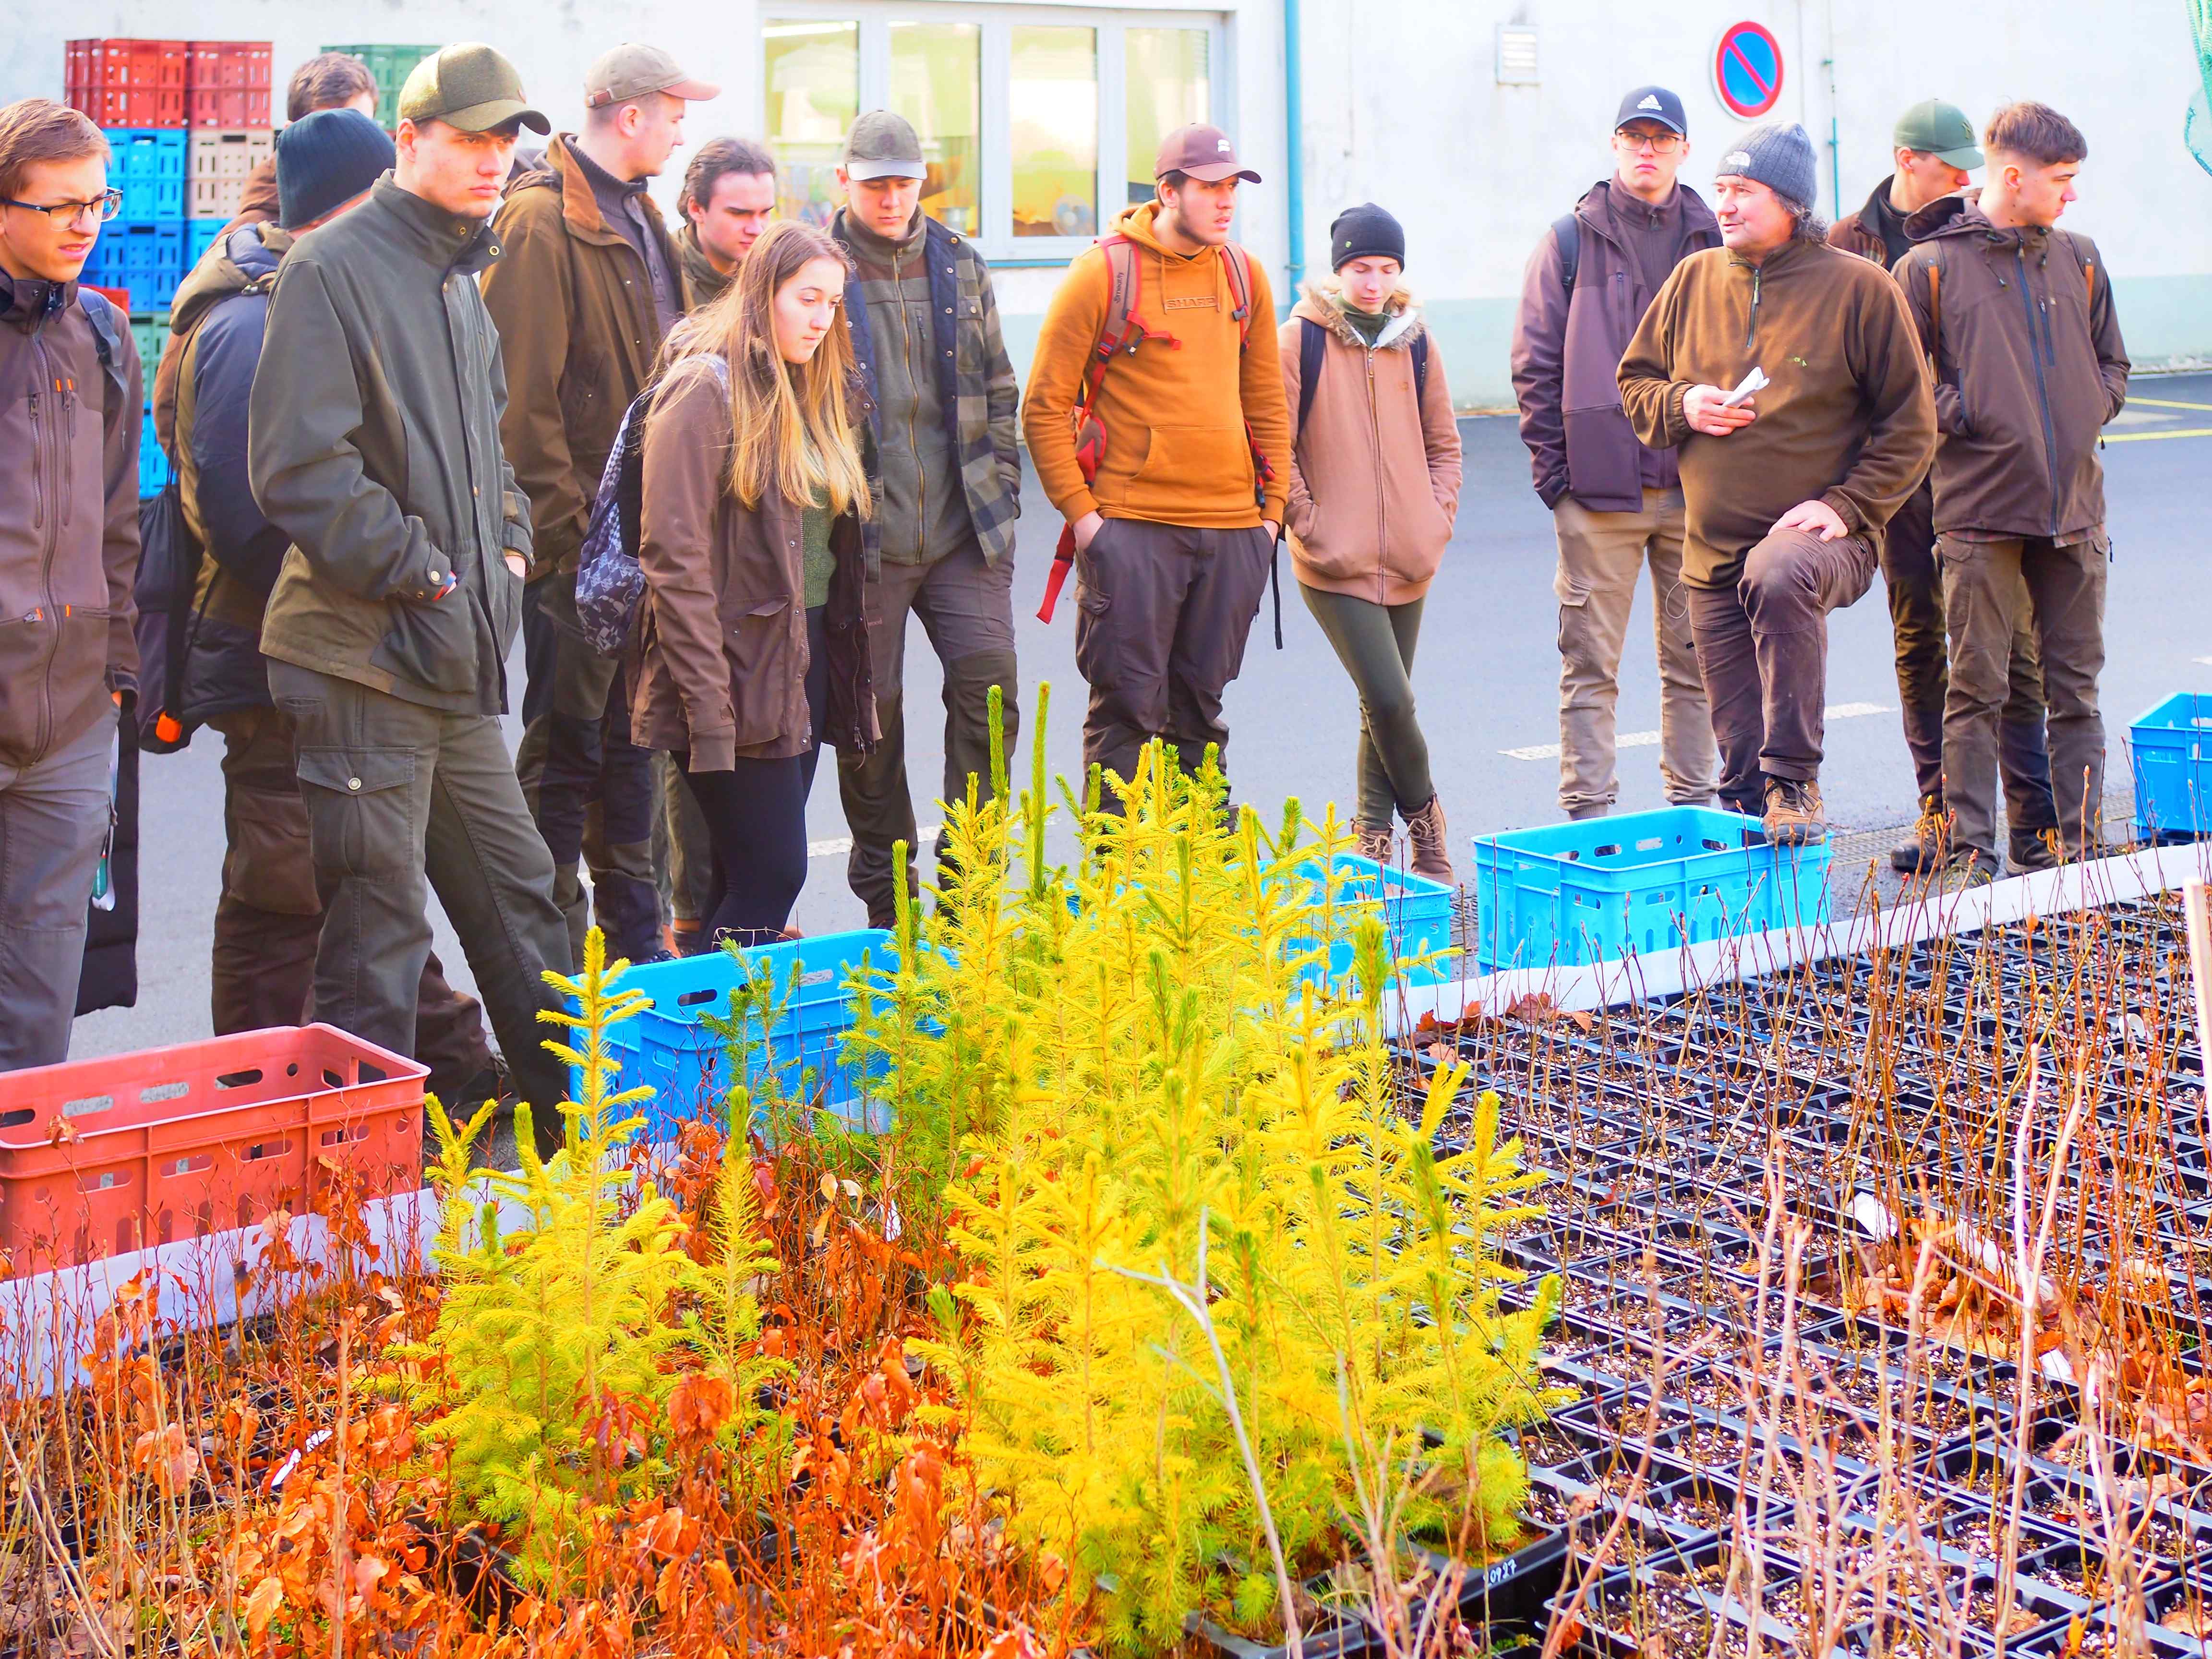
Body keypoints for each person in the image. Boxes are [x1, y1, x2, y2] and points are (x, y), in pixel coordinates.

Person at [248, 44, 573, 1147]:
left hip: (448, 654)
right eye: (470, 137)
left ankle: (588, 1168)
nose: (493, 160)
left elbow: (491, 454)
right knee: (375, 942)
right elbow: (299, 470)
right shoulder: (332, 267)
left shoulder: (456, 275)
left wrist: (511, 548)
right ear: (410, 139)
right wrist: (428, 572)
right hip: (358, 655)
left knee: (524, 903)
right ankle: (354, 1201)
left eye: (504, 140)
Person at [161, 109, 500, 1101]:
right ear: (343, 207)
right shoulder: (253, 320)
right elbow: (251, 516)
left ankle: (452, 1075)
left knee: (363, 883)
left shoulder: (319, 294)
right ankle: (258, 1115)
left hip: (350, 642)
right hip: (285, 652)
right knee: (283, 897)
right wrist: (382, 584)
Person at [1618, 121, 1935, 845]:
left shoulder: (1861, 288)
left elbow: (1912, 426)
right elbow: (1635, 383)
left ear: (1791, 204)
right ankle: (1761, 855)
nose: (1725, 205)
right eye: (1721, 189)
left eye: (1744, 191)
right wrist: (1683, 404)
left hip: (1824, 540)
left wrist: (1847, 505)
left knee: (1779, 567)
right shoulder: (1693, 280)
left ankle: (1796, 782)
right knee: (1738, 775)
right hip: (1712, 551)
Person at [482, 44, 718, 967]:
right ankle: (543, 980)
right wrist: (568, 547)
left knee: (630, 753)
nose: (680, 132)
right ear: (629, 116)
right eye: (673, 115)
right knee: (562, 759)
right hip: (582, 553)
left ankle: (632, 964)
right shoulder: (541, 221)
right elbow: (517, 404)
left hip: (641, 542)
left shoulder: (640, 212)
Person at [1895, 101, 2128, 875]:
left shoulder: (2081, 258)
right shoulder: (1927, 269)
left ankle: (2082, 858)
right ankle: (1972, 858)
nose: (2072, 194)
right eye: (2062, 179)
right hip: (1980, 515)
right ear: (2015, 177)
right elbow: (1901, 388)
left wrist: (2090, 405)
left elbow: (2113, 363)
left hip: (2076, 516)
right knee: (1976, 691)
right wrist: (1970, 415)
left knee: (2077, 696)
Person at [1023, 123, 1291, 793]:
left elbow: (1267, 403)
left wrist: (1271, 519)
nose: (1226, 202)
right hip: (1132, 529)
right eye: (1209, 187)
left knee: (1200, 716)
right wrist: (1087, 521)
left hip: (1233, 530)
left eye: (1233, 188)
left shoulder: (1245, 276)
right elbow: (1044, 407)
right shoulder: (1102, 274)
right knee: (1126, 717)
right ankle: (1118, 859)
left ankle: (1202, 861)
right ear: (1168, 191)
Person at [630, 220, 877, 947]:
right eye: (807, 299)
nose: (822, 319)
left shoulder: (814, 388)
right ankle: (728, 1017)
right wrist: (708, 705)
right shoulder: (703, 390)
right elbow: (671, 559)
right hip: (731, 671)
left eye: (833, 303)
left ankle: (710, 1020)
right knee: (773, 874)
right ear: (763, 291)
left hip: (801, 660)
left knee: (743, 875)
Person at [1831, 100, 2059, 874]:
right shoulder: (1850, 245)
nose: (1964, 178)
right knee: (1920, 641)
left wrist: (1970, 415)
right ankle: (1941, 816)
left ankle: (2034, 824)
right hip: (1896, 483)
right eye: (1948, 165)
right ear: (1907, 160)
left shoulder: (1981, 228)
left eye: (1969, 165)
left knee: (2011, 646)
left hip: (1980, 474)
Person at [830, 112, 1022, 927]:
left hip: (962, 534)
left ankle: (969, 899)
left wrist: (1003, 486)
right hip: (861, 542)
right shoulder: (817, 267)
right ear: (844, 180)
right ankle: (890, 905)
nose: (891, 198)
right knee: (869, 727)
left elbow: (1001, 387)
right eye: (875, 183)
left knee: (990, 700)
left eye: (904, 183)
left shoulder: (960, 262)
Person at [1512, 84, 1719, 821]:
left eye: (1661, 138)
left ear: (1684, 150)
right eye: (1635, 136)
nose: (1647, 149)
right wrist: (1557, 481)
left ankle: (1694, 815)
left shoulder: (1715, 240)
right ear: (1614, 144)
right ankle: (1590, 822)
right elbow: (1535, 364)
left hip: (1696, 489)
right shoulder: (1572, 240)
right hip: (1601, 495)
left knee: (1697, 666)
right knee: (1591, 669)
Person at [0, 100, 141, 1068]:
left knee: (39, 1011)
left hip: (72, 719)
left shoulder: (102, 334)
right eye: (58, 206)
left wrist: (117, 673)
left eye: (97, 202)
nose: (83, 224)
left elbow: (120, 521)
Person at [1279, 203, 1462, 878]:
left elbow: (1445, 445)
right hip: (1335, 560)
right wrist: (1308, 519)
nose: (1373, 282)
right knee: (1390, 699)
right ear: (1339, 271)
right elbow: (1274, 444)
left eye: (1387, 269)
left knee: (1379, 706)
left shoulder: (1417, 343)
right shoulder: (1299, 341)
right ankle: (1429, 823)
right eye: (1361, 268)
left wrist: (1434, 516)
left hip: (1411, 555)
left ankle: (1373, 839)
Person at [152, 52, 383, 455]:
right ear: (290, 135)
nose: (347, 142)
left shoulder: (366, 231)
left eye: (360, 125)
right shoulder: (246, 247)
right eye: (327, 126)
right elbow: (174, 396)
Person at [677, 135, 777, 309]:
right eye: (739, 214)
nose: (757, 230)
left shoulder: (778, 273)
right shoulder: (663, 277)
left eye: (765, 213)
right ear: (697, 209)